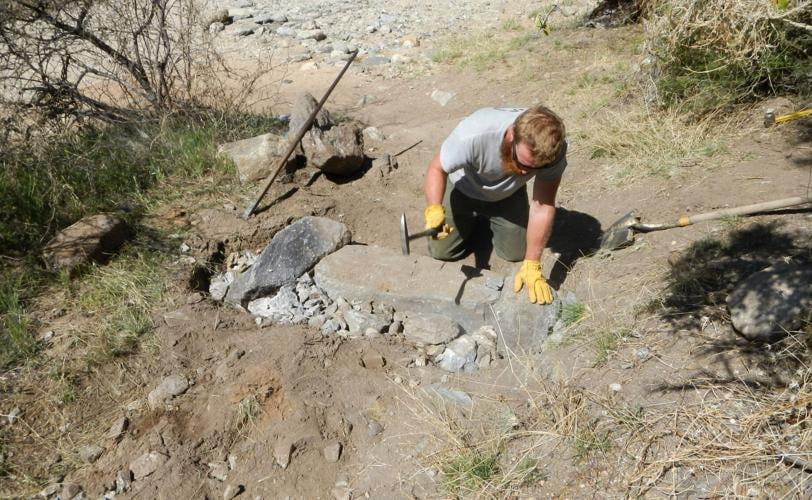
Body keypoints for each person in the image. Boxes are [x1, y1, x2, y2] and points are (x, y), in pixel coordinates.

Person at [422, 105, 567, 305]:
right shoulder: (474, 132)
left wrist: (533, 264)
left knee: (517, 254)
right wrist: (434, 208)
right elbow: (436, 168)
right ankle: (473, 222)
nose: (525, 173)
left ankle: (488, 222)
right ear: (510, 135)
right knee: (442, 252)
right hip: (462, 187)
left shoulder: (553, 151)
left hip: (507, 194)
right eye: (522, 163)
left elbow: (543, 205)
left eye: (534, 168)